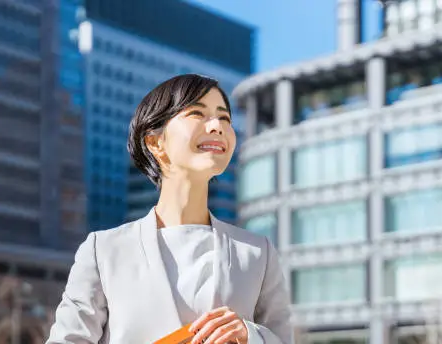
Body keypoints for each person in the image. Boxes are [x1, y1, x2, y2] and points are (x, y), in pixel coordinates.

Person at [45, 74, 293, 344]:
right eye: (198, 113)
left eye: (224, 118)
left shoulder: (257, 253)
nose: (217, 126)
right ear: (155, 142)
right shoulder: (104, 251)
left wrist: (250, 336)